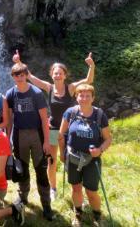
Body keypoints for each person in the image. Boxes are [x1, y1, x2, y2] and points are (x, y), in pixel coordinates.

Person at [13, 50, 95, 201]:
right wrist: (18, 62)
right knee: (51, 160)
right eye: (55, 73)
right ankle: (53, 188)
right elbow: (30, 77)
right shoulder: (49, 88)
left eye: (60, 73)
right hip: (53, 129)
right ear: (52, 75)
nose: (58, 75)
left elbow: (88, 81)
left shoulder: (70, 88)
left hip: (70, 130)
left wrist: (91, 66)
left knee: (71, 160)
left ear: (65, 75)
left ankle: (77, 190)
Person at [59, 84, 112, 227]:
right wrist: (60, 153)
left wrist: (100, 150)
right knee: (76, 188)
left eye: (88, 95)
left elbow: (108, 139)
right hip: (72, 157)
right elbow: (60, 134)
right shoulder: (70, 113)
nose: (84, 98)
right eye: (81, 95)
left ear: (93, 98)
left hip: (92, 160)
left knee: (91, 191)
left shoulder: (100, 115)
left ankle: (97, 215)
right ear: (76, 97)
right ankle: (78, 214)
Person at [6, 62, 53, 221]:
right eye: (16, 75)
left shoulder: (37, 92)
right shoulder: (10, 94)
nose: (19, 78)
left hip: (37, 135)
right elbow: (10, 119)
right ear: (13, 77)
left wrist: (47, 141)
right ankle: (23, 198)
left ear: (26, 75)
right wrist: (8, 138)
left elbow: (44, 118)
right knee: (21, 168)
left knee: (40, 168)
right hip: (19, 135)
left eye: (22, 75)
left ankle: (46, 204)